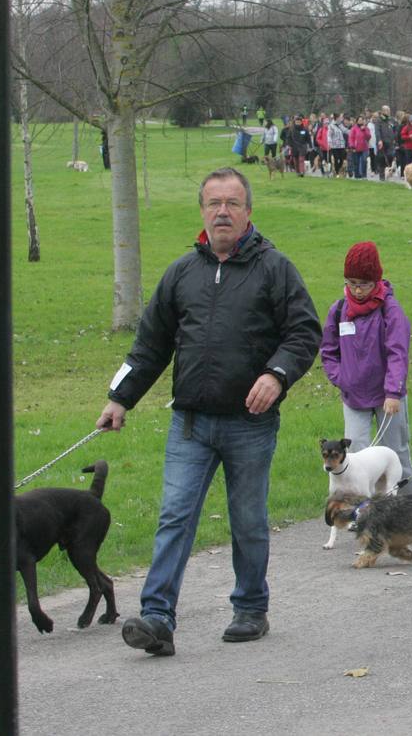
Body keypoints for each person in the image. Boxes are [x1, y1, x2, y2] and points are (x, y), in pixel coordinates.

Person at [99, 168, 321, 656]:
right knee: (175, 516)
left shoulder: (275, 268)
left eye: (233, 203)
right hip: (191, 424)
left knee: (247, 519)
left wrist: (277, 375)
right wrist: (120, 396)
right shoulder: (182, 273)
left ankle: (250, 608)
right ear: (203, 211)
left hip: (250, 425)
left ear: (248, 213)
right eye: (214, 203)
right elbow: (148, 345)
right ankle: (157, 618)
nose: (223, 211)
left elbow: (304, 333)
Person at [319, 242, 412, 492]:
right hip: (354, 396)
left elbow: (398, 352)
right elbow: (328, 350)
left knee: (396, 454)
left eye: (364, 283)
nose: (357, 289)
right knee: (356, 458)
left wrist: (393, 392)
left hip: (388, 398)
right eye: (351, 282)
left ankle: (409, 509)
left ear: (377, 281)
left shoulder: (390, 311)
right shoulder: (339, 309)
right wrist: (342, 378)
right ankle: (365, 514)